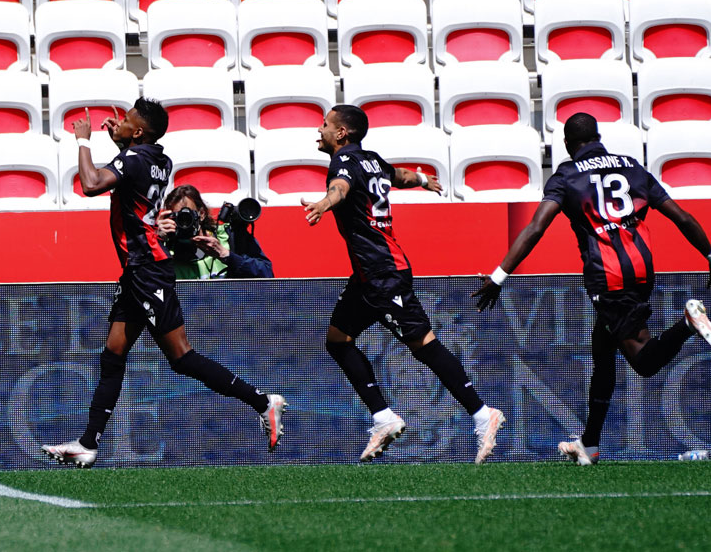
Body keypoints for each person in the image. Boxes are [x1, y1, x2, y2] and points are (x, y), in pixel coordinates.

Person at [41, 98, 286, 468]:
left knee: (182, 357)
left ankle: (263, 402)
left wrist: (84, 140)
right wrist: (122, 144)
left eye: (126, 120)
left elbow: (91, 184)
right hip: (137, 271)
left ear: (138, 132)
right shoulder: (160, 160)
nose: (119, 122)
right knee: (113, 354)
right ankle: (88, 443)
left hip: (147, 269)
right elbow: (135, 171)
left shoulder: (135, 159)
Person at [473, 112, 711, 466]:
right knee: (603, 354)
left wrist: (499, 276)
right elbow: (680, 215)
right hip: (641, 269)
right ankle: (588, 445)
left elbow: (536, 227)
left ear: (567, 143)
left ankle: (687, 323)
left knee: (644, 361)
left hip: (608, 277)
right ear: (598, 136)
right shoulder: (632, 167)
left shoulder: (568, 174)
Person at [302, 105, 505, 465]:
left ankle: (482, 413)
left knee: (424, 347)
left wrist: (324, 203)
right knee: (338, 340)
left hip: (383, 273)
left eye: (325, 125)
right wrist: (425, 181)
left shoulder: (343, 162)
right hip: (367, 277)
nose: (319, 131)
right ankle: (383, 418)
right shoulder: (372, 159)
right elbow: (401, 176)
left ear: (342, 133)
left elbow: (341, 188)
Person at [156, 184, 273, 280]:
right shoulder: (162, 246)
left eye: (188, 216)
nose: (184, 223)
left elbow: (267, 273)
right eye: (178, 217)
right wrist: (155, 242)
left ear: (201, 214)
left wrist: (225, 255)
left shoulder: (228, 237)